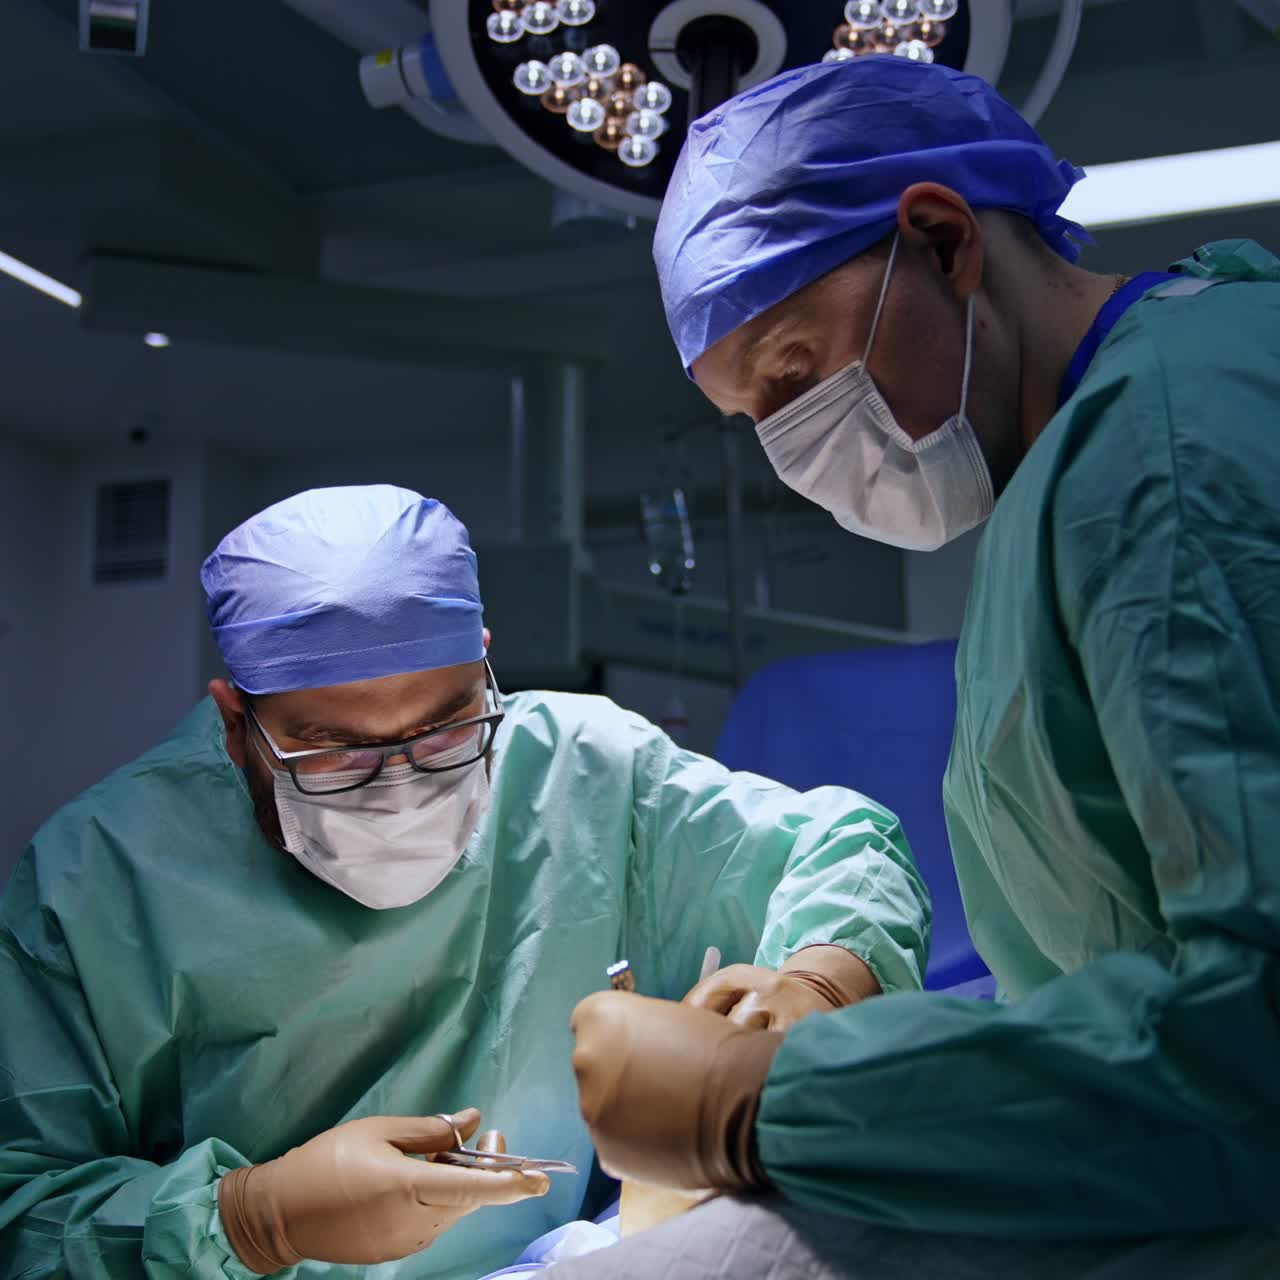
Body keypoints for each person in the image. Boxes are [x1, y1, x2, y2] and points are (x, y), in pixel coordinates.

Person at [564, 55, 1280, 1272]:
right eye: (757, 420)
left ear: (942, 241)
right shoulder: (1104, 444)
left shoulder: (1160, 454)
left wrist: (768, 1097)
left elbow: (1253, 1029)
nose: (794, 451)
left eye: (793, 371)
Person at [0, 484, 929, 1280]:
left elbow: (842, 845)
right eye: (334, 752)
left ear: (484, 662)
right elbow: (21, 1212)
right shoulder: (94, 880)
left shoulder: (581, 768)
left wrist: (818, 979)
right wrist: (251, 1219)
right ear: (236, 719)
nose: (401, 785)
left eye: (445, 730)